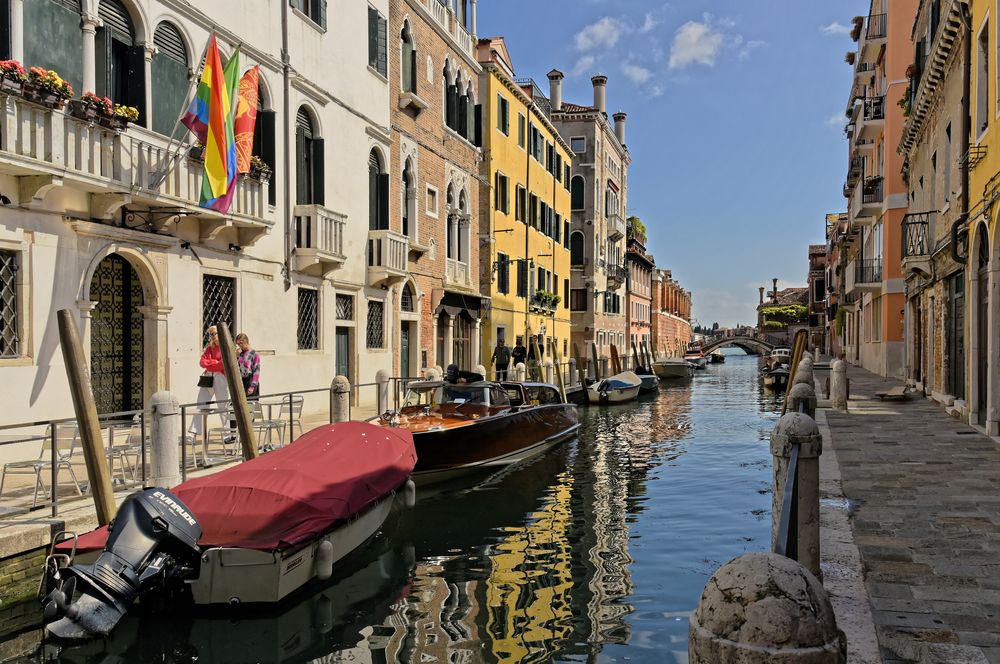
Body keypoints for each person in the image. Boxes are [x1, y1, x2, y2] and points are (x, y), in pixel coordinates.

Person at [188, 325, 230, 440]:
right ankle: (193, 432)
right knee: (201, 403)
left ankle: (227, 433)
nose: (212, 336)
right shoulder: (209, 347)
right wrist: (213, 362)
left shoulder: (225, 346)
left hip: (221, 377)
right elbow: (202, 363)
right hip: (208, 377)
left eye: (214, 334)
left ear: (220, 334)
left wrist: (211, 363)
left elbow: (223, 364)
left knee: (223, 405)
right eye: (210, 334)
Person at [236, 333, 261, 400]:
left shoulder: (254, 354)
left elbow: (256, 371)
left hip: (250, 380)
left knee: (250, 405)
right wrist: (236, 356)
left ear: (246, 341)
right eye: (238, 344)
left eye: (241, 343)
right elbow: (236, 368)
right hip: (241, 381)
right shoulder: (240, 354)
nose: (240, 345)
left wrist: (252, 386)